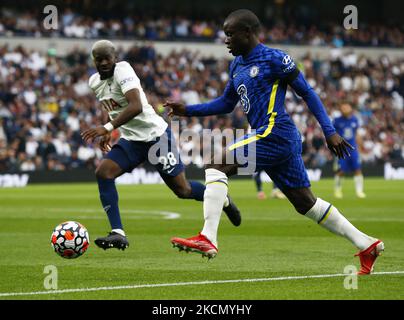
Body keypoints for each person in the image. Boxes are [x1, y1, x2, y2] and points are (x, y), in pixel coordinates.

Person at [164, 10, 383, 274]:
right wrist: (187, 110)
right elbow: (225, 103)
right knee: (306, 203)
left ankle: (208, 237)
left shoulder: (276, 58)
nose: (226, 40)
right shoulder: (237, 65)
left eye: (230, 34)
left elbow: (308, 92)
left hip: (275, 132)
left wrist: (329, 130)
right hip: (273, 137)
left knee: (216, 163)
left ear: (247, 32)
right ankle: (367, 243)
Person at [81, 40, 241, 251]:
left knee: (183, 190)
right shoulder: (94, 82)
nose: (103, 63)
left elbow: (136, 105)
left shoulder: (123, 70)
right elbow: (113, 106)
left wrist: (107, 126)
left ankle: (223, 200)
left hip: (156, 136)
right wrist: (110, 130)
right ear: (94, 60)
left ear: (115, 58)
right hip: (132, 140)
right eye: (98, 59)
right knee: (103, 172)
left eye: (106, 58)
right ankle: (118, 233)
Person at [333, 103, 366, 199]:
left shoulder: (355, 119)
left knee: (358, 169)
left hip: (353, 149)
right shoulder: (337, 121)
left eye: (347, 107)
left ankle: (359, 191)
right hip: (342, 149)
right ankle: (338, 190)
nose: (345, 109)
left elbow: (356, 134)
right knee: (341, 170)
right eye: (343, 107)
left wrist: (359, 147)